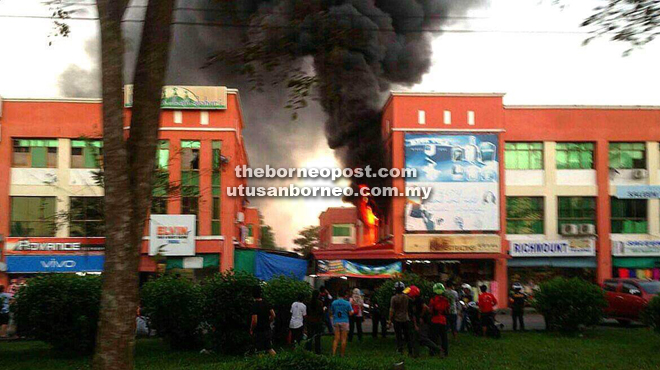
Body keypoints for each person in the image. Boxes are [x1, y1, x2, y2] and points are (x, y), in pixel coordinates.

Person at [406, 285, 441, 357]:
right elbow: (413, 315)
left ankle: (437, 349)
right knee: (415, 338)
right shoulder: (411, 302)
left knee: (423, 338)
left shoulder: (419, 300)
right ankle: (416, 354)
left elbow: (425, 308)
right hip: (418, 321)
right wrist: (415, 324)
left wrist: (421, 316)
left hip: (424, 322)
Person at [388, 281, 414, 356]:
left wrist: (389, 320)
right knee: (407, 336)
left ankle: (400, 350)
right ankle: (410, 351)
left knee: (398, 336)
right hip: (406, 318)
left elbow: (391, 310)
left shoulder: (393, 298)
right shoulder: (407, 298)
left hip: (397, 319)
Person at [250, 286, 276, 356]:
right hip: (267, 328)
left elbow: (254, 320)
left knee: (259, 350)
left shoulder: (254, 305)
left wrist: (251, 329)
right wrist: (269, 321)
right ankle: (277, 360)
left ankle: (261, 365)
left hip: (259, 330)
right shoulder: (266, 303)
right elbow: (273, 314)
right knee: (269, 348)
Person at [428, 283, 450, 357]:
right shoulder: (445, 300)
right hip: (443, 321)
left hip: (434, 320)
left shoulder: (433, 300)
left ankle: (433, 352)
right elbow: (447, 311)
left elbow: (430, 311)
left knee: (433, 337)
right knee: (444, 338)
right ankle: (445, 352)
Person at [330, 289, 353, 357]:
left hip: (336, 321)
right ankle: (342, 354)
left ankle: (333, 354)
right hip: (345, 321)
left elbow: (331, 312)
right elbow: (351, 312)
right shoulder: (347, 303)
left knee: (336, 338)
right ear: (345, 295)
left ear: (338, 294)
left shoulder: (334, 302)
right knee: (343, 339)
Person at [306, 290, 325, 354]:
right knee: (317, 336)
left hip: (310, 320)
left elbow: (307, 312)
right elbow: (321, 313)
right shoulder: (320, 303)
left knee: (309, 335)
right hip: (317, 321)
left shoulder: (308, 302)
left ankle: (308, 349)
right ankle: (318, 350)